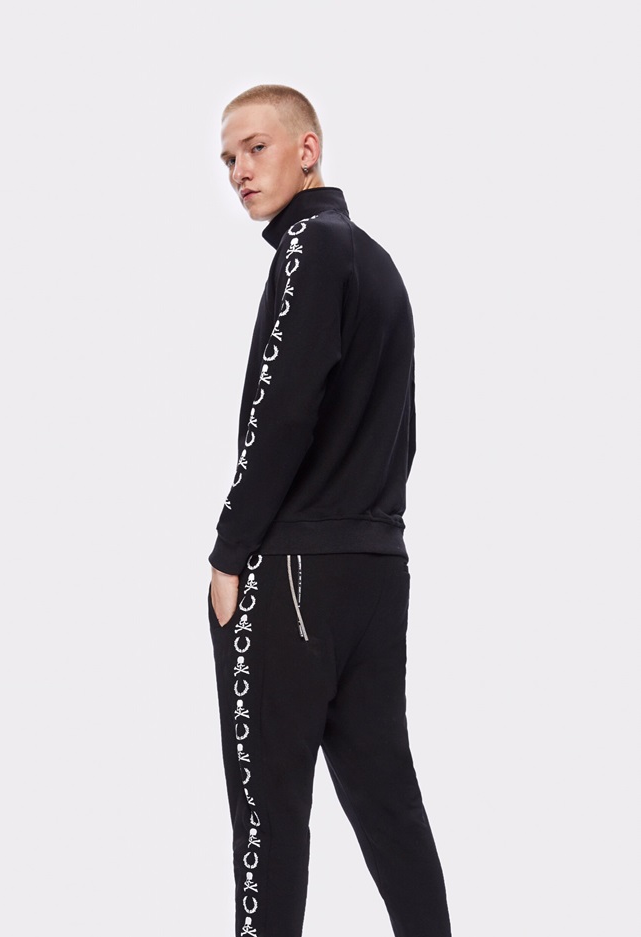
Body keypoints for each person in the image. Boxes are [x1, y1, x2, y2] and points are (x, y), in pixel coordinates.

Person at [206, 84, 451, 937]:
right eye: (227, 158)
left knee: (267, 820)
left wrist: (230, 551)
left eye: (256, 148)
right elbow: (403, 430)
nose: (239, 170)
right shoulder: (377, 264)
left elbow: (283, 412)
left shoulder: (309, 249)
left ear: (307, 149)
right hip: (376, 569)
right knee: (389, 803)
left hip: (292, 576)